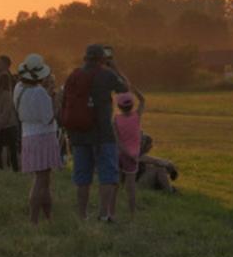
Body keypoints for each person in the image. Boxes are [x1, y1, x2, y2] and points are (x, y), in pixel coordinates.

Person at [61, 44, 131, 222]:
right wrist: (114, 68)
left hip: (79, 133)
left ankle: (82, 215)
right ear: (102, 59)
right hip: (102, 133)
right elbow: (125, 88)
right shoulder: (107, 74)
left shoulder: (74, 75)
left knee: (82, 178)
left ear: (85, 58)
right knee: (107, 175)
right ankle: (104, 214)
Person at [14, 54, 62, 223]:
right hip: (43, 136)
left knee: (44, 179)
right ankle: (34, 219)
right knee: (41, 180)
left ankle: (48, 217)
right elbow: (48, 118)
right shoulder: (40, 92)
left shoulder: (18, 88)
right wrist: (56, 101)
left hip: (27, 134)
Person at [114, 89, 147, 215]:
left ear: (119, 106)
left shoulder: (116, 119)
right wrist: (133, 89)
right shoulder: (137, 116)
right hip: (132, 156)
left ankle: (111, 210)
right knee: (131, 187)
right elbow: (142, 100)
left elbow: (117, 142)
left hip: (119, 154)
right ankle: (132, 213)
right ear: (132, 104)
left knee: (115, 184)